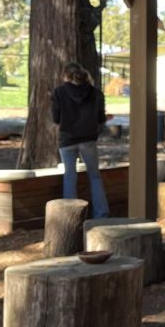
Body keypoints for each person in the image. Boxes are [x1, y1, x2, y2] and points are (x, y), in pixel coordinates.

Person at [50, 61, 111, 218]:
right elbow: (100, 118)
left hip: (67, 138)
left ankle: (71, 215)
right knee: (95, 176)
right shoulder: (96, 93)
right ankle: (101, 213)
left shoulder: (59, 92)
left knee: (70, 176)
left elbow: (56, 118)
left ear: (66, 76)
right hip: (88, 139)